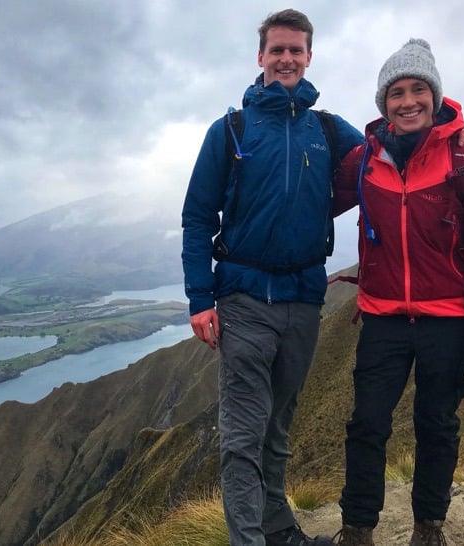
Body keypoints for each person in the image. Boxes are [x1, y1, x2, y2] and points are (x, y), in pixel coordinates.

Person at [181, 9, 364, 546]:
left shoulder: (326, 129)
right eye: (277, 49)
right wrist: (199, 297)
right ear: (260, 57)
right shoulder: (231, 130)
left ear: (309, 57)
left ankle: (280, 534)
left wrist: (453, 131)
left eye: (296, 50)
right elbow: (197, 216)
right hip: (242, 301)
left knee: (277, 430)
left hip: (304, 301)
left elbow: (388, 152)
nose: (286, 58)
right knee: (243, 436)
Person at [330, 39, 464, 546]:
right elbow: (317, 199)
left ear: (435, 97)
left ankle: (428, 528)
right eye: (396, 92)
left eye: (418, 90)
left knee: (436, 425)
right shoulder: (365, 162)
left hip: (449, 321)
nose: (408, 101)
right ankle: (357, 529)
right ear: (383, 103)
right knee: (366, 424)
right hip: (383, 318)